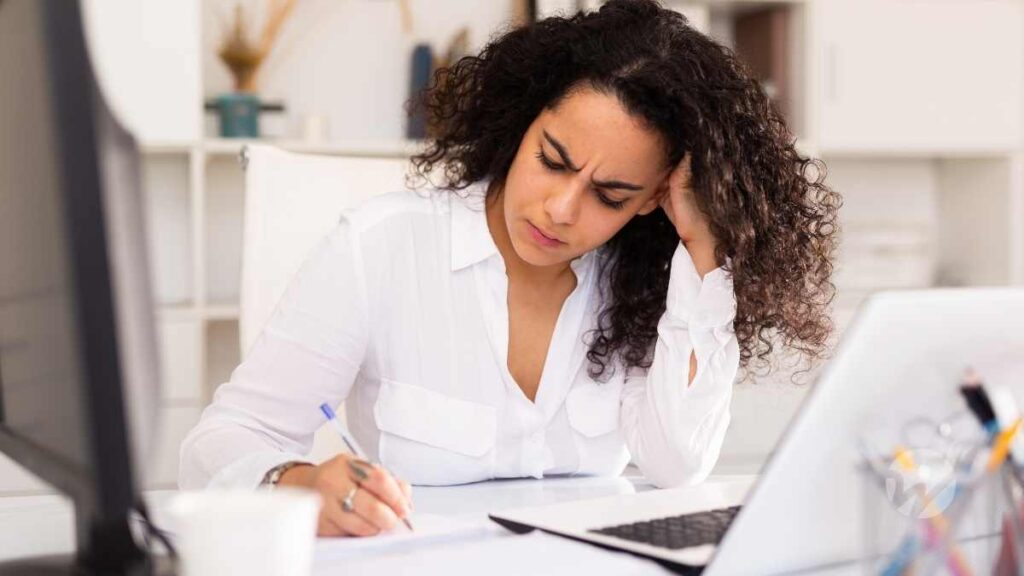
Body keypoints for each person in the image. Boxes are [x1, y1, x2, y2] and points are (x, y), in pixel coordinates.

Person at [179, 0, 840, 538]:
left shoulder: (644, 285)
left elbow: (678, 465)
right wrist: (295, 482)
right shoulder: (381, 247)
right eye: (552, 160)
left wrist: (701, 249)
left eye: (611, 196)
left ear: (653, 200)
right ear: (524, 122)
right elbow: (221, 441)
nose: (560, 209)